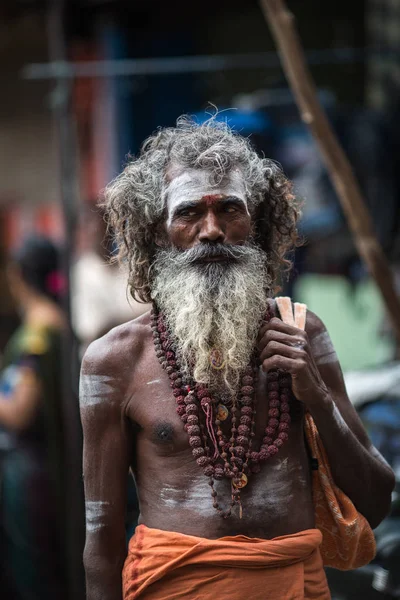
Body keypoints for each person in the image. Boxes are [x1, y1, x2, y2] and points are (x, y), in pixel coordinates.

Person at [80, 116, 395, 600]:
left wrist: (314, 397)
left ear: (258, 226)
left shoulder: (301, 334)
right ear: (158, 232)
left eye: (230, 209)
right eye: (188, 213)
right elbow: (101, 539)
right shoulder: (114, 361)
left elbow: (374, 503)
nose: (212, 231)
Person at [0, 237, 67, 600]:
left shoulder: (37, 333)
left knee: (33, 568)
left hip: (30, 470)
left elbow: (20, 409)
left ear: (18, 276)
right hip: (49, 466)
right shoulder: (58, 324)